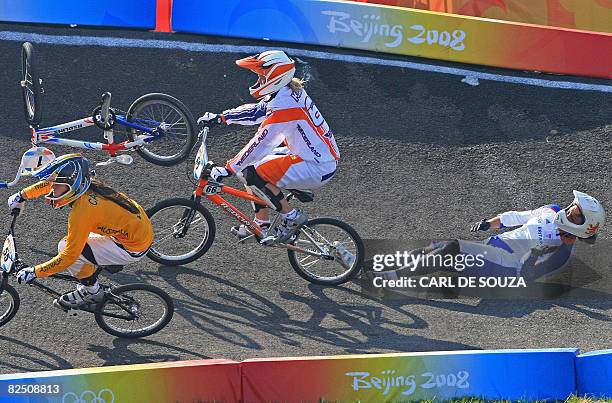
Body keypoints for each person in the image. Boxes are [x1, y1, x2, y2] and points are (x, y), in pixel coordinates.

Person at [197, 50, 340, 243]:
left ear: (276, 77)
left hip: (314, 165)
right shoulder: (286, 92)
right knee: (249, 169)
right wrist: (222, 117)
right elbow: (258, 112)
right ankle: (261, 223)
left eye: (262, 76)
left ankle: (292, 217)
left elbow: (260, 143)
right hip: (313, 156)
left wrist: (228, 169)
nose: (258, 79)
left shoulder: (285, 107)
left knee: (252, 173)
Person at [7, 154, 153, 308]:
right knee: (72, 245)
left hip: (131, 248)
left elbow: (69, 256)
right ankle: (97, 268)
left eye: (57, 185)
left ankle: (92, 292)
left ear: (73, 186)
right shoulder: (86, 185)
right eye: (53, 184)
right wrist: (22, 195)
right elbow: (51, 182)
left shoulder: (82, 213)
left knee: (65, 247)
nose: (52, 188)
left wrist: (36, 272)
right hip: (136, 232)